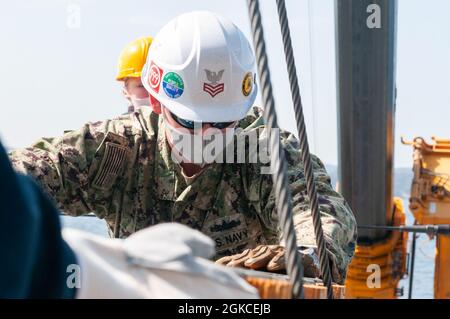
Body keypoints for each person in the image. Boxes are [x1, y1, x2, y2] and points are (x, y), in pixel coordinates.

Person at [9, 11, 356, 284]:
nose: (207, 135)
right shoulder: (116, 149)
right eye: (190, 122)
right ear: (157, 105)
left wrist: (307, 254)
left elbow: (319, 210)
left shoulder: (261, 149)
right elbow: (20, 176)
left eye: (221, 123)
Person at [115, 36, 157, 113]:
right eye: (142, 86)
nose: (151, 93)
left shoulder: (183, 122)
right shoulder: (120, 125)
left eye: (157, 85)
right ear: (125, 91)